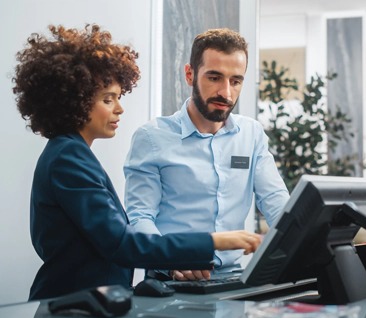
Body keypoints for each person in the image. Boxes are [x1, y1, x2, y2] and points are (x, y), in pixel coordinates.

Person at [12, 24, 261, 301]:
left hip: (91, 304)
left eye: (119, 97)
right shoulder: (68, 159)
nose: (119, 108)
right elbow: (124, 244)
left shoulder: (72, 153)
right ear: (76, 101)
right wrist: (216, 241)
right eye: (108, 99)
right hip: (70, 308)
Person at [124, 28, 289, 281]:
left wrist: (303, 239)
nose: (226, 93)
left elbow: (277, 203)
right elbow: (140, 217)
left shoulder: (252, 134)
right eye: (214, 78)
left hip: (235, 277)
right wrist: (169, 260)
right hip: (171, 278)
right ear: (190, 74)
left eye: (235, 81)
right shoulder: (151, 137)